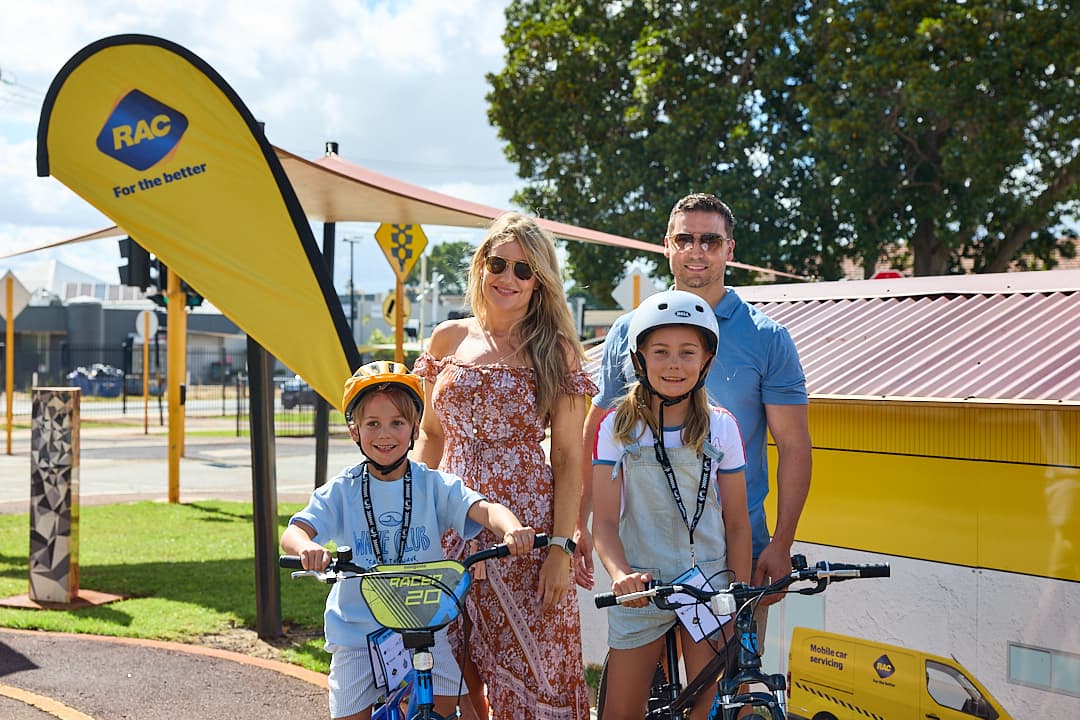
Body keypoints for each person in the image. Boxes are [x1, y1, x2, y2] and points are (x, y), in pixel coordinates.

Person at [579, 192, 811, 633]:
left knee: (729, 692)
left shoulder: (768, 338)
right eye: (684, 239)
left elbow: (795, 447)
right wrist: (578, 523)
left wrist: (781, 544)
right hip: (643, 555)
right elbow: (598, 429)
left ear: (730, 250)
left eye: (710, 240)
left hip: (737, 551)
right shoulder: (628, 331)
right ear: (667, 246)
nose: (697, 251)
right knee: (653, 697)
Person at [412, 212, 595, 720]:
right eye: (498, 263)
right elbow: (429, 435)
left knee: (536, 668)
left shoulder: (554, 349)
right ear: (481, 265)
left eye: (523, 269)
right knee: (449, 664)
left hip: (525, 530)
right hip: (448, 520)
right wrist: (413, 522)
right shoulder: (447, 339)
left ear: (539, 281)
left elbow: (567, 459)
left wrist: (559, 548)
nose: (507, 278)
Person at [280, 361, 537, 720]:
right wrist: (308, 547)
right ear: (355, 432)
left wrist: (511, 528)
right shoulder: (343, 490)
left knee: (447, 709)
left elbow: (483, 508)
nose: (385, 434)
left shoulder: (433, 485)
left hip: (425, 629)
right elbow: (293, 532)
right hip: (358, 636)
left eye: (397, 423)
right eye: (373, 424)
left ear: (414, 428)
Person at [593, 290, 751, 720]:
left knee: (715, 708)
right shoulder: (616, 429)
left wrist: (734, 598)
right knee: (619, 712)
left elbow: (737, 523)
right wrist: (620, 575)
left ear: (706, 361)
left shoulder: (722, 428)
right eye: (660, 352)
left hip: (708, 582)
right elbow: (604, 522)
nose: (674, 364)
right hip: (641, 587)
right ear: (640, 360)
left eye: (687, 352)